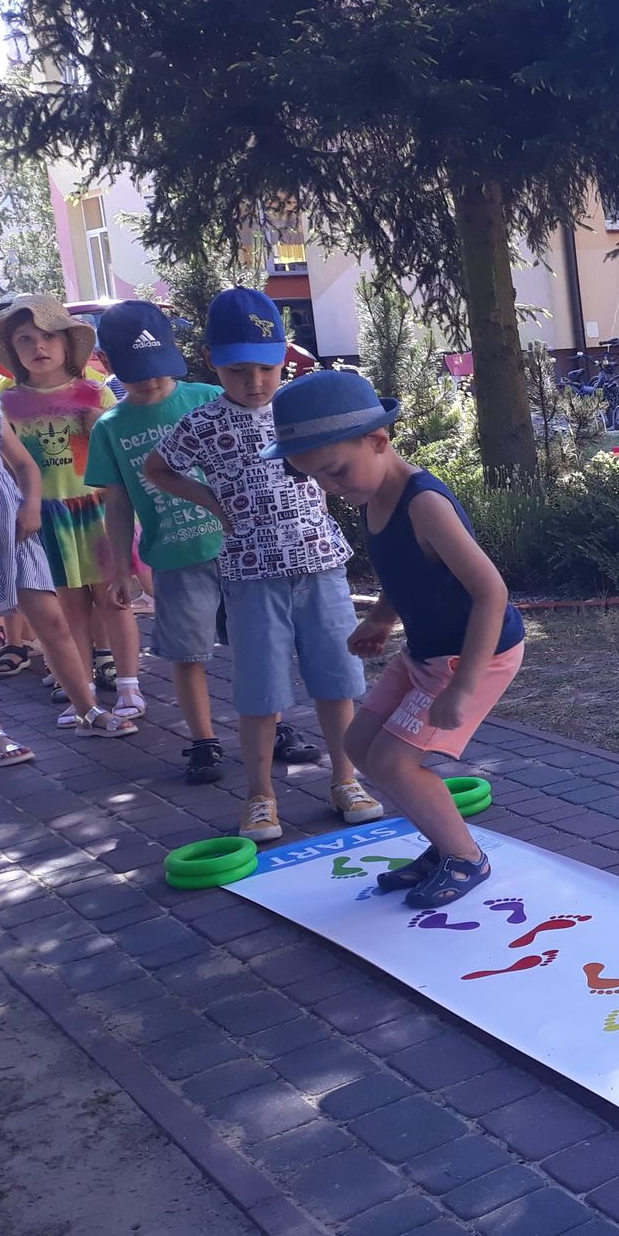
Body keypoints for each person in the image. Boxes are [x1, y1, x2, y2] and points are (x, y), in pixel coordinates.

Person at [266, 368, 523, 908]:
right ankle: (443, 843)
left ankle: (465, 857)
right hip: (426, 651)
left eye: (335, 471)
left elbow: (491, 593)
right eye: (314, 478)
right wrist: (382, 618)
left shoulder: (424, 504)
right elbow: (407, 572)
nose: (328, 488)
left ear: (378, 440)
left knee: (394, 762)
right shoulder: (371, 494)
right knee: (359, 746)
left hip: (472, 655)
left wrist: (463, 687)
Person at [144, 287, 381, 842]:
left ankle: (346, 780)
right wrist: (211, 502)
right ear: (211, 361)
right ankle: (259, 796)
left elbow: (355, 454)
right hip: (250, 577)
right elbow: (158, 468)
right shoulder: (202, 424)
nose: (254, 382)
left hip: (320, 565)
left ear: (284, 357)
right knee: (260, 690)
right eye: (238, 370)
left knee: (336, 680)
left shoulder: (302, 407)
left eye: (266, 368)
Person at [0, 295, 144, 728]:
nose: (39, 346)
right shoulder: (6, 402)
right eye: (25, 339)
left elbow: (120, 448)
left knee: (114, 600)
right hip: (43, 518)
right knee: (69, 609)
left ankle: (129, 685)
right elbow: (8, 464)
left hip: (96, 512)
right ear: (11, 349)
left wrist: (99, 420)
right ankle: (81, 692)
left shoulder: (94, 391)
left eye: (49, 336)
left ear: (68, 344)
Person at [86, 300, 233, 782]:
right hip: (173, 560)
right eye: (136, 371)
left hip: (239, 551)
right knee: (188, 655)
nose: (150, 381)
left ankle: (271, 729)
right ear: (107, 363)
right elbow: (117, 503)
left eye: (157, 367)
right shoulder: (110, 427)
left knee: (256, 647)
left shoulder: (210, 397)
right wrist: (121, 569)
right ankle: (203, 741)